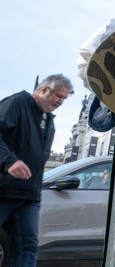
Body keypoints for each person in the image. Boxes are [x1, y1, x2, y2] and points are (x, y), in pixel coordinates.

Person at [0, 74, 72, 267]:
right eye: (58, 96)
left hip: (29, 196)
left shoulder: (49, 119)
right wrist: (10, 161)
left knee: (28, 246)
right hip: (3, 190)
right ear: (43, 90)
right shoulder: (16, 103)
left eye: (64, 98)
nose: (60, 101)